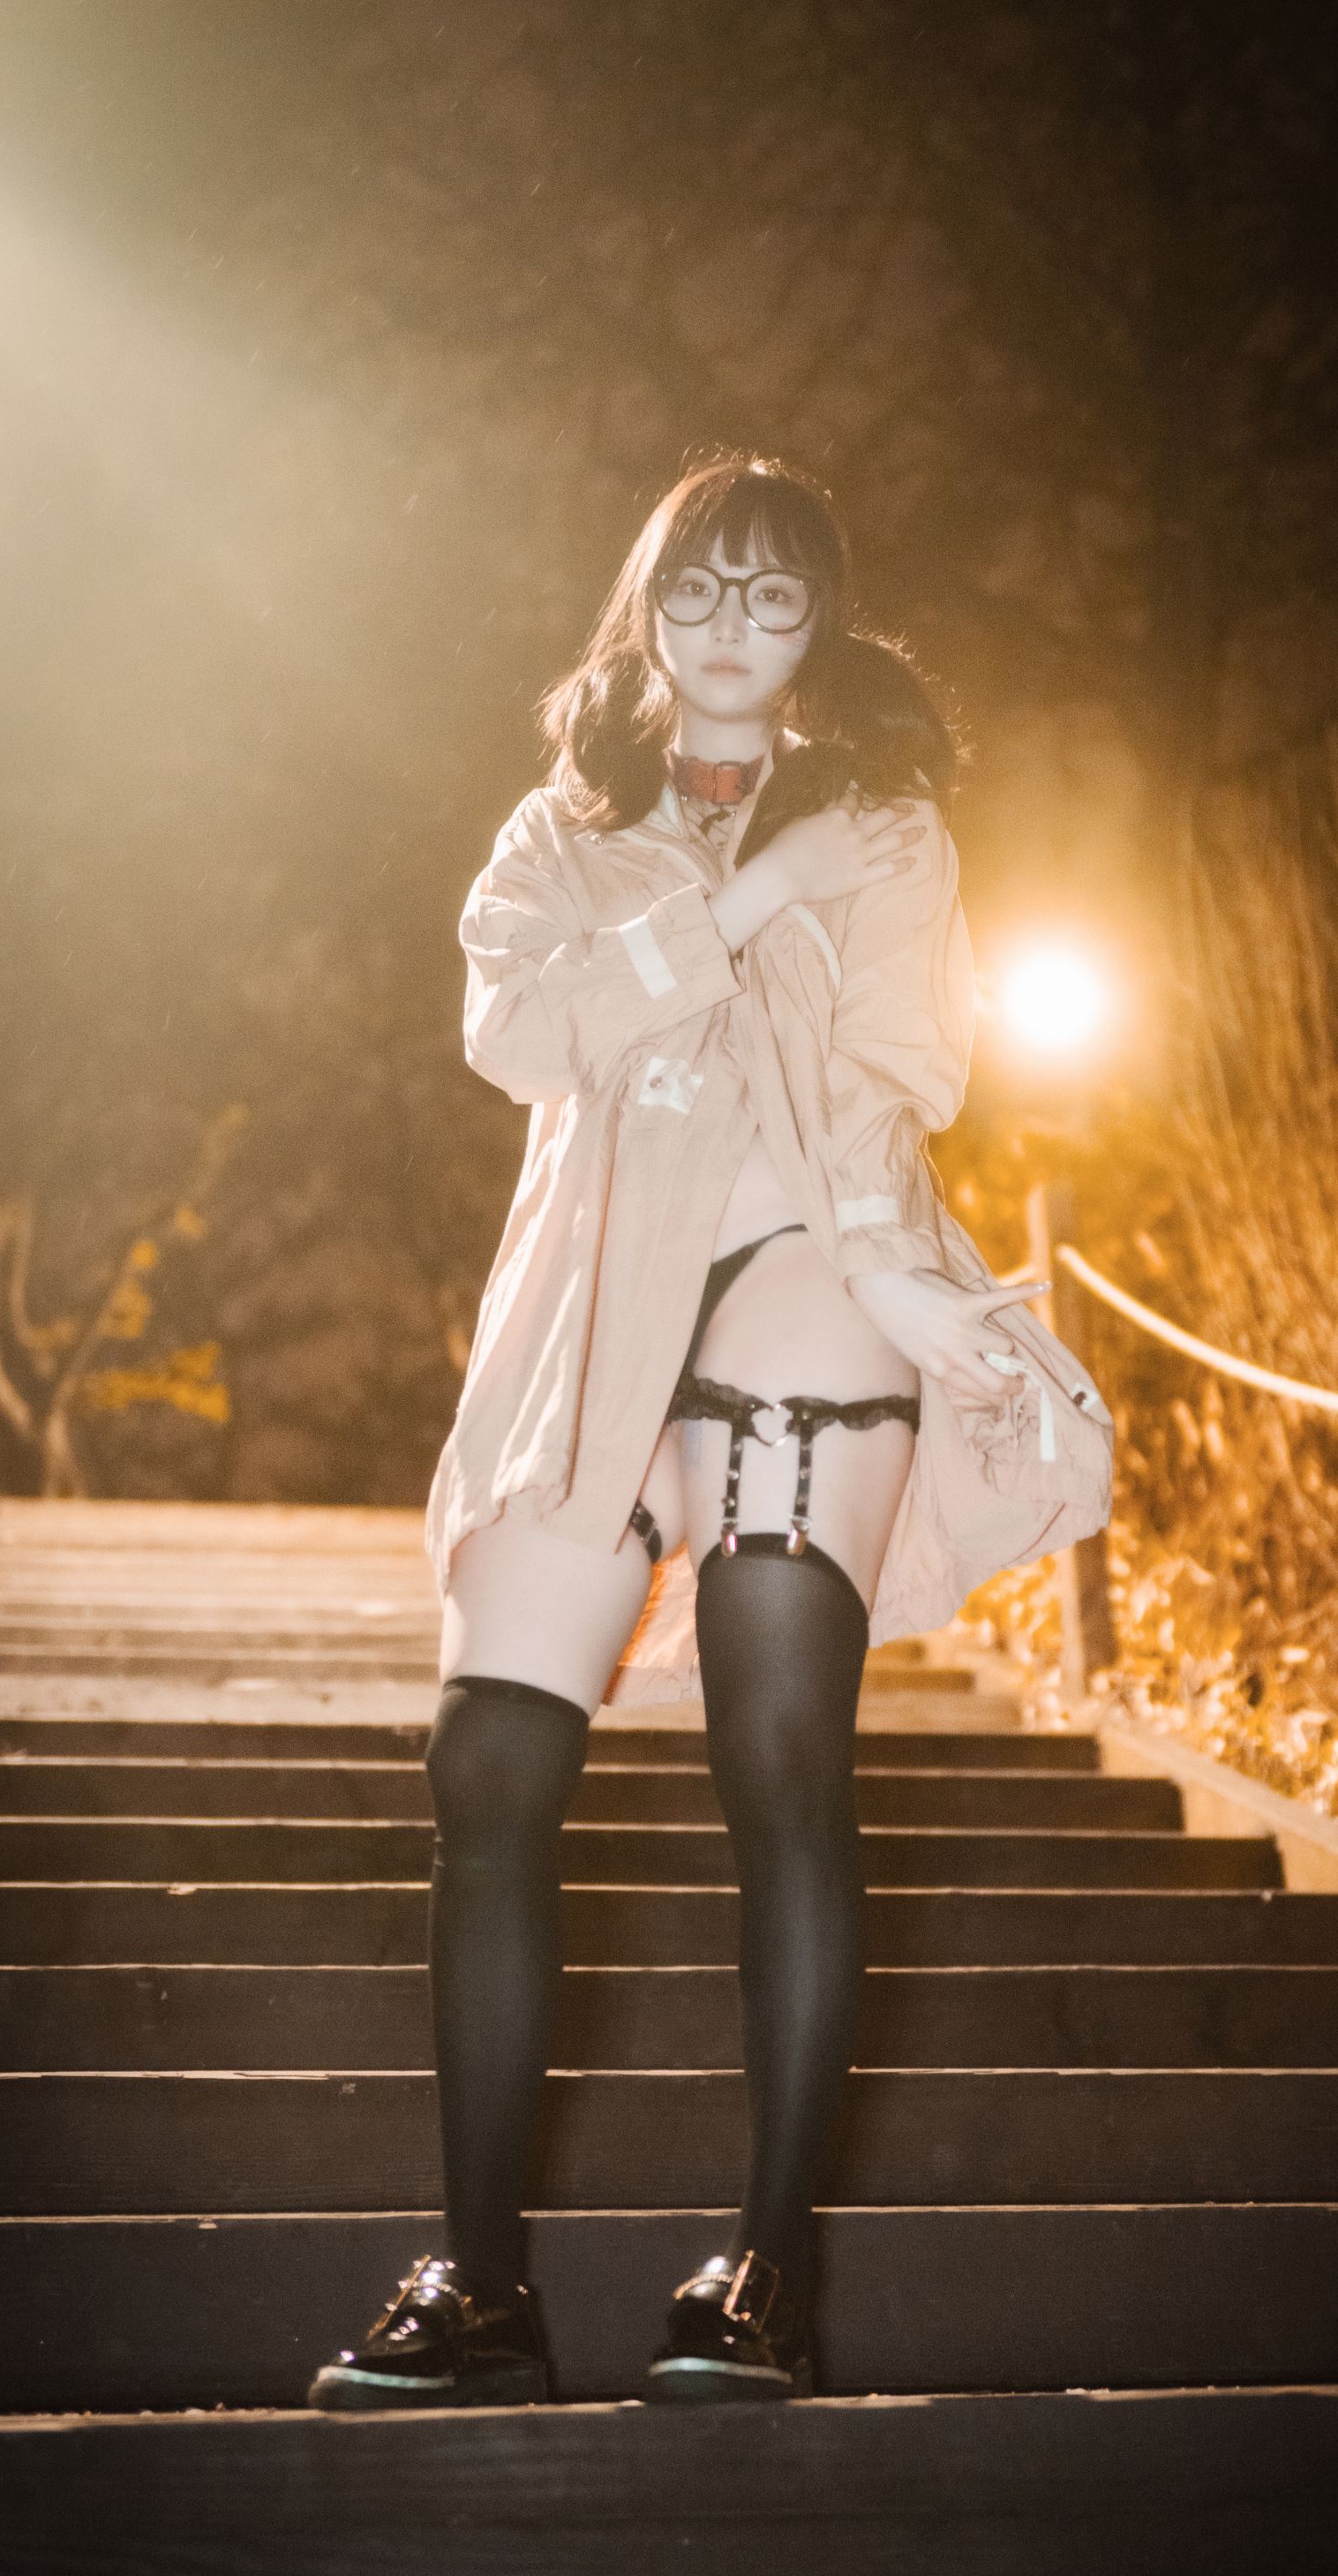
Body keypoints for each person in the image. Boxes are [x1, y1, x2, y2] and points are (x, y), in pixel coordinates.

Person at [307, 451, 1110, 2413]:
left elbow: (904, 1076)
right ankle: (479, 2281)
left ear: (820, 619)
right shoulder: (562, 825)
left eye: (774, 595)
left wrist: (907, 1285)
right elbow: (519, 1032)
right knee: (490, 1757)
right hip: (591, 1303)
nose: (732, 627)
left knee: (780, 1745)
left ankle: (766, 2266)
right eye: (699, 589)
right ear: (646, 606)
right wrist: (745, 896)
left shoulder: (889, 824)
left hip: (803, 1270)